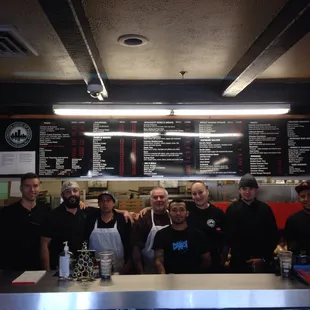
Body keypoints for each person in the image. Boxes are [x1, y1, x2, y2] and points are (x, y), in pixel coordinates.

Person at [225, 173, 278, 273]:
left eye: (251, 189)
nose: (247, 192)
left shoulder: (265, 209)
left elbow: (273, 236)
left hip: (262, 263)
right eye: (244, 189)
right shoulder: (231, 210)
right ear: (239, 190)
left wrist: (263, 258)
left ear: (256, 190)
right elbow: (228, 237)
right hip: (238, 263)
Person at [0, 172, 51, 270]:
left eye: (35, 186)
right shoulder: (7, 213)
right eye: (27, 186)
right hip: (11, 271)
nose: (32, 190)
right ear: (21, 188)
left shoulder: (46, 211)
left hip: (37, 270)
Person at [41, 181, 93, 270]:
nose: (72, 194)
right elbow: (44, 244)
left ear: (79, 193)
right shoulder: (52, 216)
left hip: (83, 266)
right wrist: (47, 271)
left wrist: (124, 212)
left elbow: (106, 211)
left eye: (75, 190)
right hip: (60, 267)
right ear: (62, 195)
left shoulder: (86, 212)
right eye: (68, 192)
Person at [153, 199, 211, 274]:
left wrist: (197, 275)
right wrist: (164, 277)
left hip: (194, 279)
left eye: (182, 210)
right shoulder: (161, 234)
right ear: (169, 214)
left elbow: (207, 259)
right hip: (170, 279)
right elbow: (159, 260)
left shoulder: (198, 234)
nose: (178, 213)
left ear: (187, 213)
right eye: (174, 210)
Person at [85, 191, 132, 274]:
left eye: (108, 200)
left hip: (119, 268)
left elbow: (129, 245)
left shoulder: (123, 220)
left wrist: (127, 267)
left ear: (113, 203)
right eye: (102, 201)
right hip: (95, 269)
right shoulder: (91, 219)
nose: (105, 203)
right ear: (98, 204)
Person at [187, 181, 227, 272]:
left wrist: (223, 258)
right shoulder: (186, 208)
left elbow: (227, 236)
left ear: (207, 192)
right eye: (194, 194)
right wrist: (148, 208)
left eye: (200, 192)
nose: (197, 196)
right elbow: (167, 209)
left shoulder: (217, 213)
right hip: (190, 259)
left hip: (213, 261)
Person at [131, 187, 171, 274]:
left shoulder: (173, 216)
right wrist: (141, 273)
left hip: (172, 267)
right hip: (149, 270)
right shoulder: (143, 219)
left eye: (161, 197)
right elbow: (136, 249)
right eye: (155, 197)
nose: (159, 200)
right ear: (150, 201)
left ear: (167, 200)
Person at [284, 181, 310, 256]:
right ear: (299, 199)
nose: (306, 199)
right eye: (302, 196)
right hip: (302, 264)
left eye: (309, 195)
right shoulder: (293, 221)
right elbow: (291, 247)